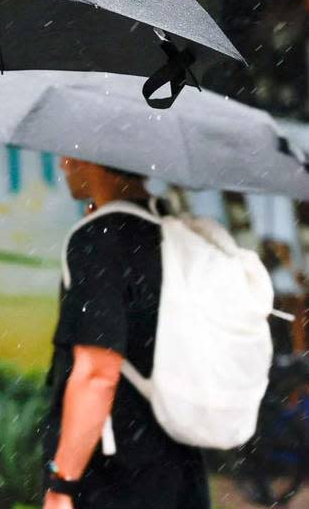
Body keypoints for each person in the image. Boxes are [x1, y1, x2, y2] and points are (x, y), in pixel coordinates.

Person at [41, 158, 208, 509]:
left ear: (95, 158)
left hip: (116, 475)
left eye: (71, 153)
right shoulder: (170, 227)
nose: (63, 162)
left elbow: (97, 373)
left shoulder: (99, 239)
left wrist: (62, 486)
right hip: (179, 463)